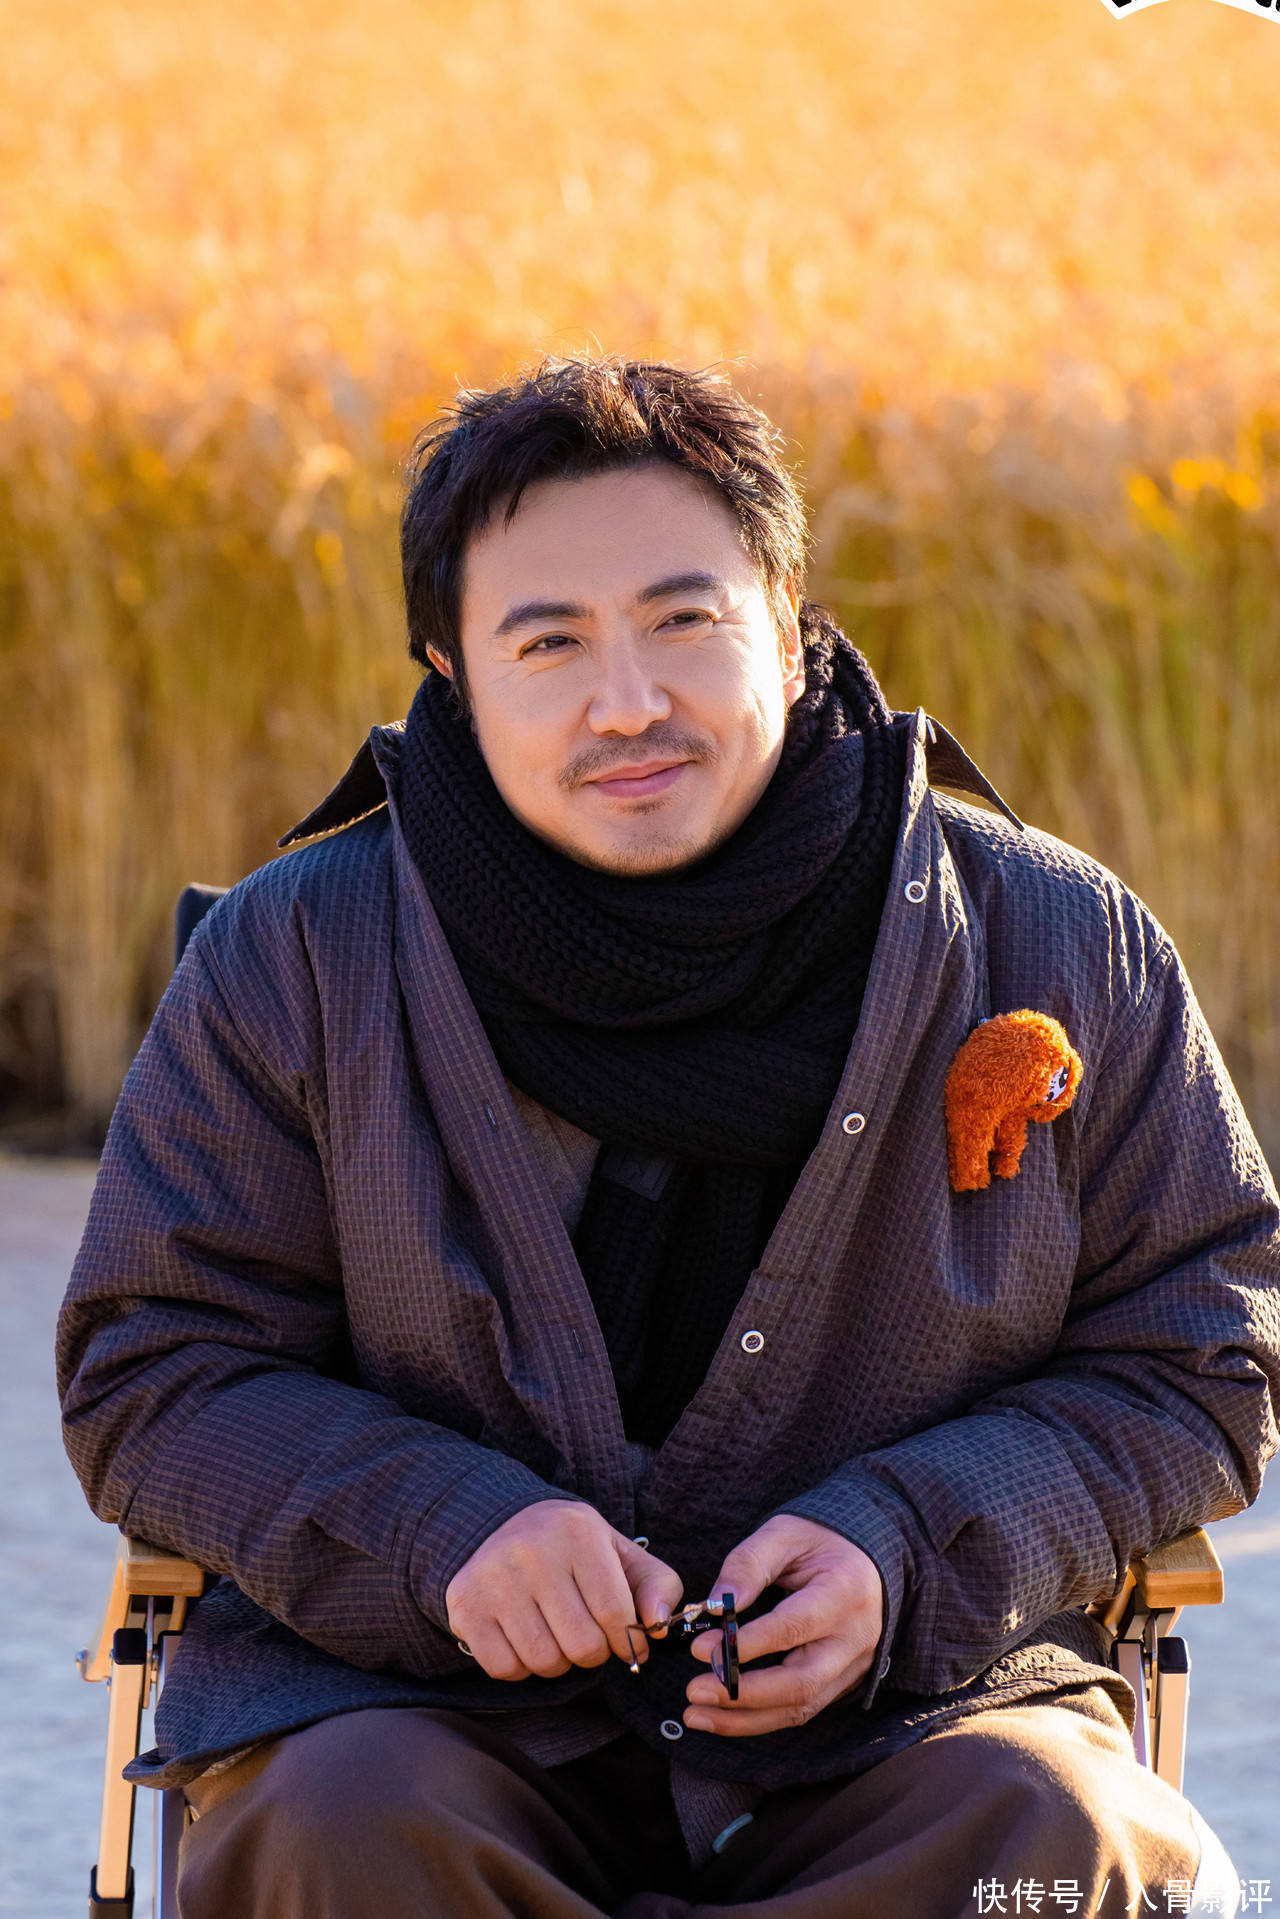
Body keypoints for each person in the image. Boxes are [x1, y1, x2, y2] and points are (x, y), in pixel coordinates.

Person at [57, 355, 1279, 1918]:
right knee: (337, 1827)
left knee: (1056, 1835)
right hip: (417, 1718)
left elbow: (1208, 1351)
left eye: (684, 621)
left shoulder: (1057, 939)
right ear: (450, 668)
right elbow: (155, 1366)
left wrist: (905, 1547)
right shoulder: (295, 955)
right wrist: (446, 1531)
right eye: (547, 643)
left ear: (791, 616)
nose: (627, 703)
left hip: (918, 1722)